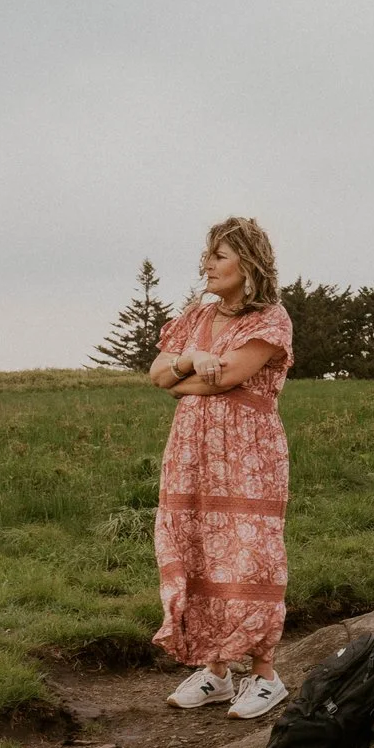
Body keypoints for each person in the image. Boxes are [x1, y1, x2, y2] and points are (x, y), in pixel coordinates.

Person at [146, 218, 296, 721]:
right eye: (207, 254)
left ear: (248, 264)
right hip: (192, 448)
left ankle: (266, 675)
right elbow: (156, 373)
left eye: (221, 255)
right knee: (200, 549)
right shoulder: (195, 317)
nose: (207, 264)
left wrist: (181, 378)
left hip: (249, 450)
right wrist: (192, 357)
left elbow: (230, 376)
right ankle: (215, 671)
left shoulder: (270, 321)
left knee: (250, 553)